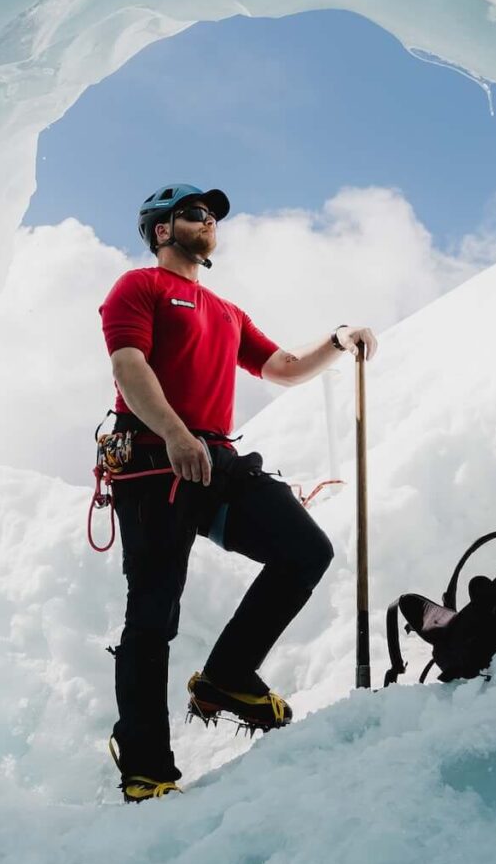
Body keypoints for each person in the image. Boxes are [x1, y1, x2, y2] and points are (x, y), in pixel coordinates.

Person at [98, 182, 379, 803]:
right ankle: (145, 764)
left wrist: (337, 340)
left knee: (305, 551)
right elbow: (128, 365)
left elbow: (283, 368)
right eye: (195, 214)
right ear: (162, 230)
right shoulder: (139, 287)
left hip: (215, 458)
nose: (209, 223)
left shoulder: (226, 311)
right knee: (153, 614)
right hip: (153, 462)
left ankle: (226, 677)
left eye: (212, 217)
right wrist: (173, 433)